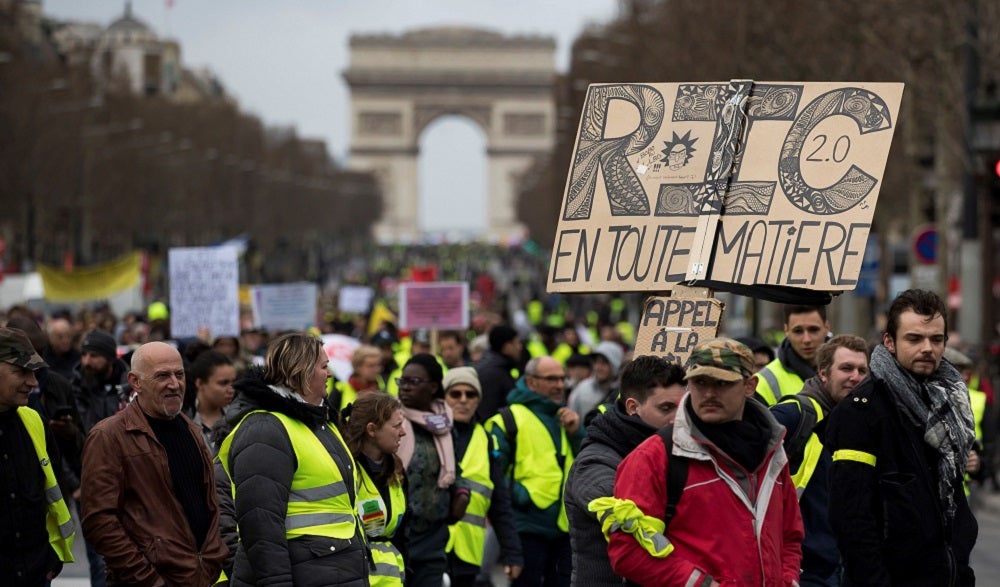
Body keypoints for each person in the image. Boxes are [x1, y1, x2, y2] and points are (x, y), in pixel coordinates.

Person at [604, 338, 803, 586]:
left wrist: (787, 580)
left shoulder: (772, 451)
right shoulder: (654, 456)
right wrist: (702, 584)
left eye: (722, 383)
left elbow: (790, 536)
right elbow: (628, 551)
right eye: (699, 383)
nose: (709, 393)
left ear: (749, 386)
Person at [826, 289, 978, 586]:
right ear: (890, 342)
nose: (927, 348)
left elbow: (953, 501)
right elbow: (853, 520)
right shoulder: (862, 411)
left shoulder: (948, 401)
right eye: (914, 338)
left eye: (936, 340)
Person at [218, 332, 368, 586]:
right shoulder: (266, 429)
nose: (329, 374)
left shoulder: (320, 422)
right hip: (306, 573)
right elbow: (261, 525)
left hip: (328, 571)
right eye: (323, 366)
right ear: (301, 372)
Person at [81, 341, 227, 586]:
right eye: (162, 376)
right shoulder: (109, 436)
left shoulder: (192, 430)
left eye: (179, 374)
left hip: (201, 577)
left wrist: (214, 558)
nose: (174, 384)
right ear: (135, 382)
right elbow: (100, 522)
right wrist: (149, 580)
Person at [565, 355, 685, 587]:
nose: (677, 419)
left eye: (682, 408)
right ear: (633, 407)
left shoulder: (670, 451)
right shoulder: (596, 461)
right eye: (666, 408)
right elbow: (633, 515)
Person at [769, 335, 869, 587]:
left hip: (840, 568)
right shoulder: (794, 414)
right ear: (823, 374)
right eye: (846, 368)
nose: (855, 377)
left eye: (862, 370)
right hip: (801, 570)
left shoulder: (859, 421)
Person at [487, 356, 583, 587]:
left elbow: (582, 463)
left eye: (562, 378)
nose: (560, 385)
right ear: (531, 382)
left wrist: (577, 433)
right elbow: (494, 475)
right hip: (526, 527)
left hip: (562, 527)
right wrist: (523, 496)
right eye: (552, 379)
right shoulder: (508, 419)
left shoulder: (563, 417)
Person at [0, 327, 75, 585]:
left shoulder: (34, 422)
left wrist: (51, 561)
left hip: (35, 574)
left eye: (33, 372)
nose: (33, 382)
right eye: (21, 372)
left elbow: (54, 490)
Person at [443, 367, 524, 587]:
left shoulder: (485, 439)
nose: (463, 400)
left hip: (468, 553)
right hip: (432, 549)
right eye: (455, 393)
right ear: (443, 398)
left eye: (470, 394)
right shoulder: (429, 434)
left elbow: (500, 503)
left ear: (478, 400)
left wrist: (512, 553)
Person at [396, 353, 466, 587]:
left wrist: (461, 493)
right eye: (402, 381)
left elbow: (456, 470)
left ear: (433, 387)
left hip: (432, 541)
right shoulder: (390, 420)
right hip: (396, 539)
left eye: (413, 382)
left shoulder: (445, 425)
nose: (405, 387)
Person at [342, 392, 408, 587]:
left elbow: (403, 535)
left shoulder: (396, 471)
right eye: (396, 426)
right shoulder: (346, 469)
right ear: (372, 430)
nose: (403, 432)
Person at [755, 305, 830, 405]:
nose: (806, 339)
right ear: (786, 330)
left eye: (813, 330)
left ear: (827, 327)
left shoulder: (851, 371)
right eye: (798, 331)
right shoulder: (764, 382)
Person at [185, 350, 236, 452]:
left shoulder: (238, 418)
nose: (231, 389)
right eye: (223, 383)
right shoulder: (185, 420)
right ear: (200, 383)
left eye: (233, 382)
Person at [475, 325, 523, 421]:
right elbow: (487, 412)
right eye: (517, 343)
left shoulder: (501, 367)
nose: (520, 347)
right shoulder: (493, 373)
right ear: (507, 347)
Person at [566, 340, 623, 419]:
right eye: (596, 362)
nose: (597, 367)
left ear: (615, 365)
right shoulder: (581, 389)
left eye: (604, 363)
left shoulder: (623, 393)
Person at [334, 344, 385, 411]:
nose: (376, 370)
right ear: (357, 367)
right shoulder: (340, 390)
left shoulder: (382, 388)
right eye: (371, 366)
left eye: (378, 365)